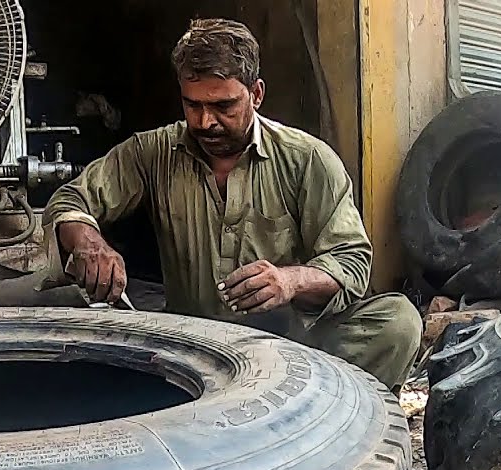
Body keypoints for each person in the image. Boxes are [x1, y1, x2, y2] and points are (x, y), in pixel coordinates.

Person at [44, 18, 422, 389]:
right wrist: (89, 243)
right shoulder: (153, 151)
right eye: (192, 105)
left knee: (398, 322)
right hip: (194, 348)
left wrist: (289, 280)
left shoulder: (307, 159)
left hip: (290, 347)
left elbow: (351, 263)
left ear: (256, 94)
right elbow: (71, 198)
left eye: (224, 106)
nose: (206, 121)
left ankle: (320, 417)